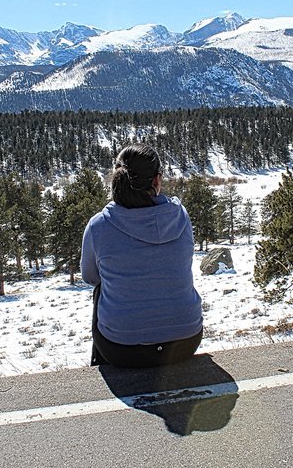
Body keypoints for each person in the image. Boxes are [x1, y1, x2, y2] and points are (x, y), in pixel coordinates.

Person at [81, 144, 203, 368]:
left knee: (102, 289)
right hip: (185, 342)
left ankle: (100, 366)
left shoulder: (99, 225)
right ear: (157, 180)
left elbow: (90, 277)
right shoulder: (180, 217)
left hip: (121, 350)